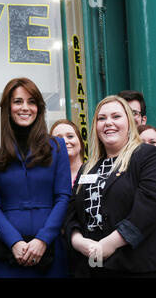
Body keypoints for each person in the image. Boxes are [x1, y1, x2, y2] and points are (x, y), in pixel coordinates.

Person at [0, 77, 71, 278]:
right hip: (9, 251)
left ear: (39, 108)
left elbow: (63, 197)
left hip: (50, 249)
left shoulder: (57, 147)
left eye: (32, 102)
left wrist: (43, 239)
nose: (25, 107)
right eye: (18, 101)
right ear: (7, 107)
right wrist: (14, 241)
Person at [64, 95, 156, 278]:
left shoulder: (147, 156)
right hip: (90, 268)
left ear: (129, 122)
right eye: (102, 118)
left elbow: (148, 208)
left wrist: (109, 245)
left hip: (133, 268)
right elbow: (71, 211)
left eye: (116, 116)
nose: (108, 123)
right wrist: (77, 241)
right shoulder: (88, 167)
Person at [50, 119, 85, 186]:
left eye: (70, 136)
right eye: (59, 138)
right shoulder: (47, 177)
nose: (65, 141)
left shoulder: (93, 172)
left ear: (80, 142)